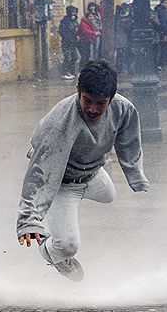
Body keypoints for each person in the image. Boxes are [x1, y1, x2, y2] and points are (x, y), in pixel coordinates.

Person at [16, 60, 150, 282]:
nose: (93, 109)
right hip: (62, 182)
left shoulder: (123, 108)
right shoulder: (60, 123)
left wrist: (135, 176)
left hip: (93, 172)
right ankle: (49, 249)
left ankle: (71, 206)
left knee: (109, 195)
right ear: (78, 91)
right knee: (68, 245)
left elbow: (129, 141)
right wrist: (29, 219)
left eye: (100, 103)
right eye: (87, 101)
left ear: (112, 98)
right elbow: (40, 173)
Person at [59, 5, 79, 80]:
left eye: (74, 12)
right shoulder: (65, 21)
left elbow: (76, 30)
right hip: (66, 42)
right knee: (67, 57)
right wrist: (68, 38)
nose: (73, 13)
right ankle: (65, 73)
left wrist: (76, 36)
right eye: (72, 12)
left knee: (75, 57)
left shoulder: (74, 21)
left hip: (73, 43)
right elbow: (62, 31)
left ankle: (72, 71)